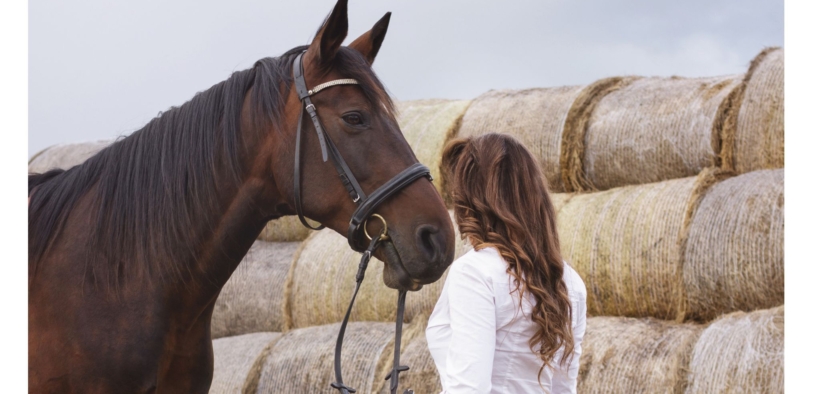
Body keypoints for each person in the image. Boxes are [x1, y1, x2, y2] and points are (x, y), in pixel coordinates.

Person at [426, 133, 587, 393]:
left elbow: (468, 389)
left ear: (471, 200)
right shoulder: (569, 281)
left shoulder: (475, 273)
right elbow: (563, 389)